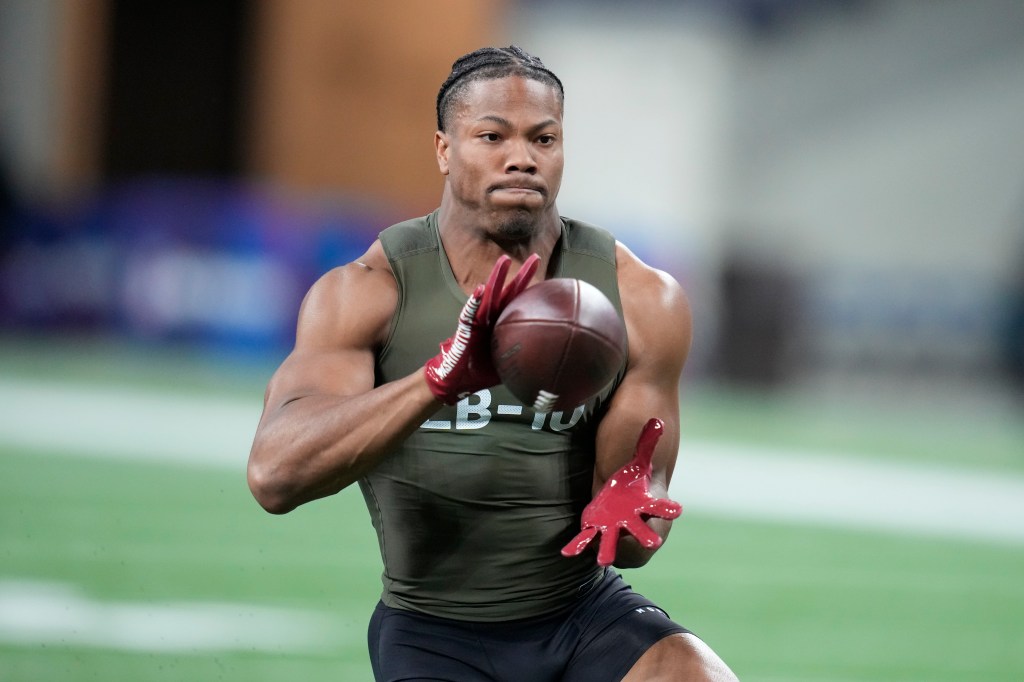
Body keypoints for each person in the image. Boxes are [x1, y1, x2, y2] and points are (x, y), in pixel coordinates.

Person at [248, 45, 737, 682]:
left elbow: (636, 515)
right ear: (444, 149)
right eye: (491, 135)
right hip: (432, 630)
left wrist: (633, 510)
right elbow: (275, 476)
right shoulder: (368, 290)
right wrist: (438, 379)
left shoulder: (641, 299)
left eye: (544, 138)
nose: (522, 157)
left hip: (581, 613)